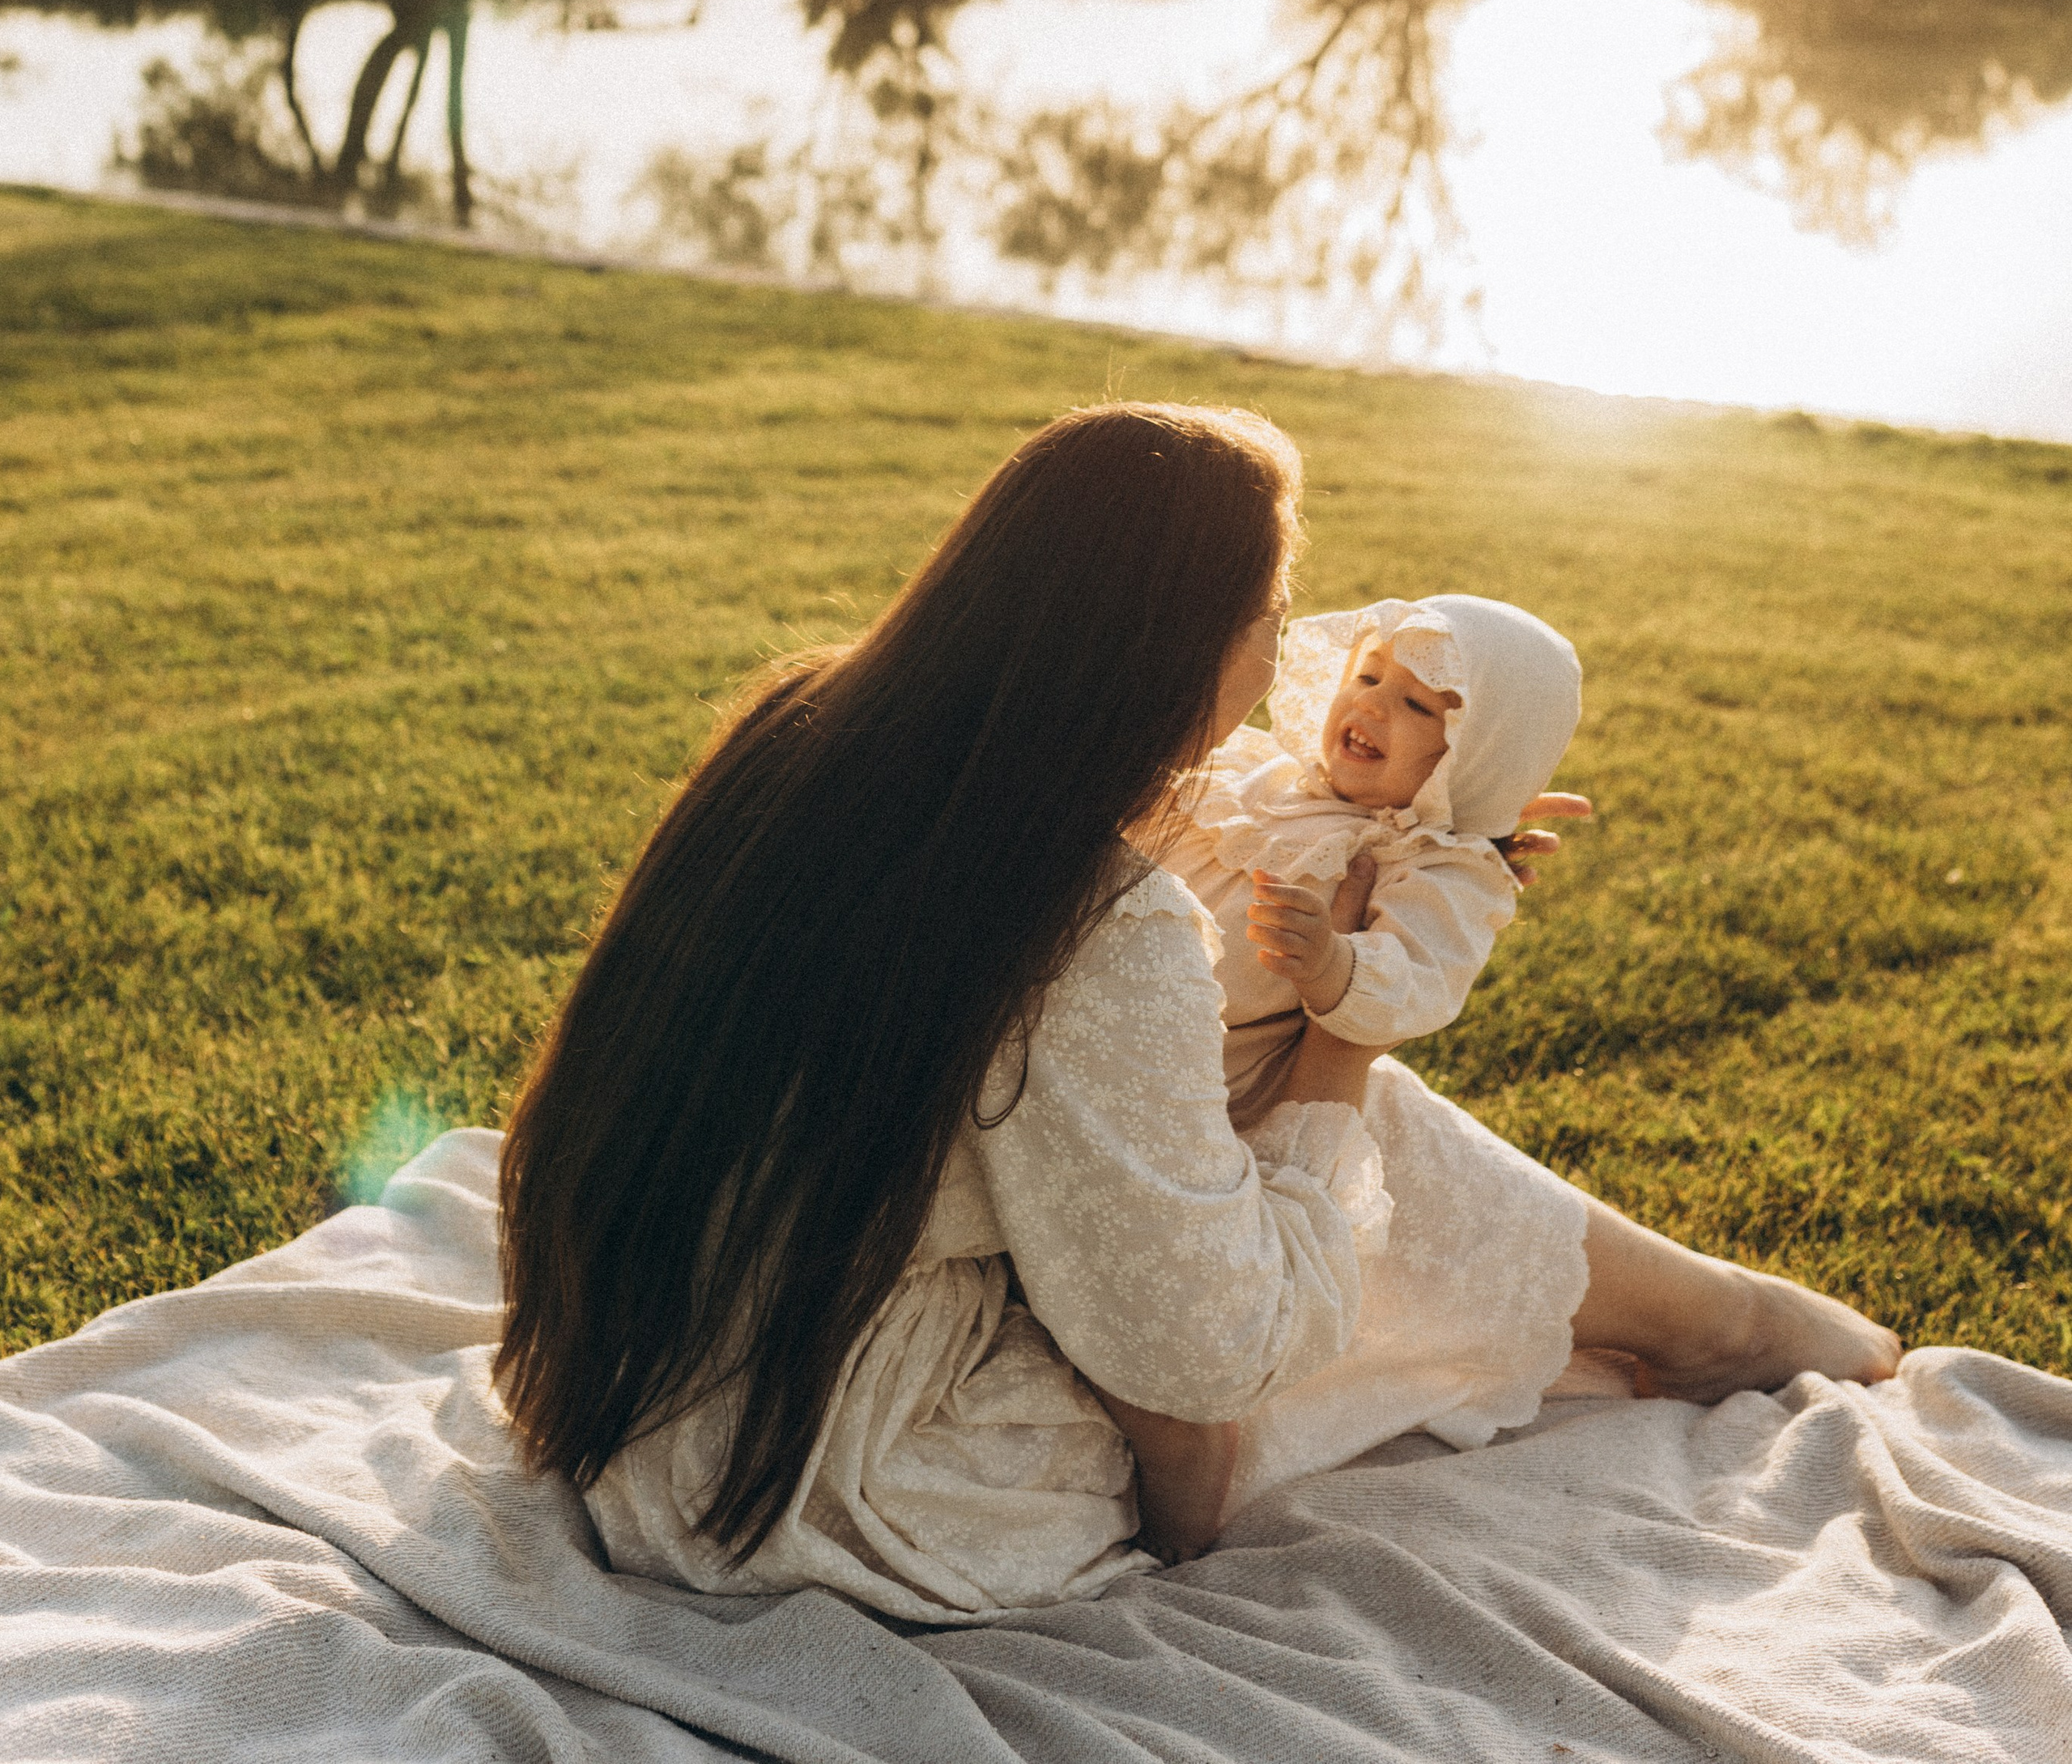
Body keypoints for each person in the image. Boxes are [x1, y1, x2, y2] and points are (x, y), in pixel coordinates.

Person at [494, 402, 1900, 1627]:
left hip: (622, 1357)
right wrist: (1353, 1028)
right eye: (1272, 625)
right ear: (1169, 648)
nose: (1287, 660)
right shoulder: (1099, 920)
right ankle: (1717, 1325)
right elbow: (1198, 1349)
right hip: (803, 1476)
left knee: (1243, 1071)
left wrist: (1419, 867)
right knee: (1311, 1102)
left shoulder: (809, 723)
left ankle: (1703, 1319)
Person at [1159, 594, 1585, 1130]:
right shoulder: (1260, 773)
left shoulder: (1430, 866)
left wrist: (1329, 964)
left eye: (1418, 705)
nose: (1371, 705)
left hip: (1198, 1075)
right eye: (1367, 677)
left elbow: (1417, 982)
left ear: (1471, 757)